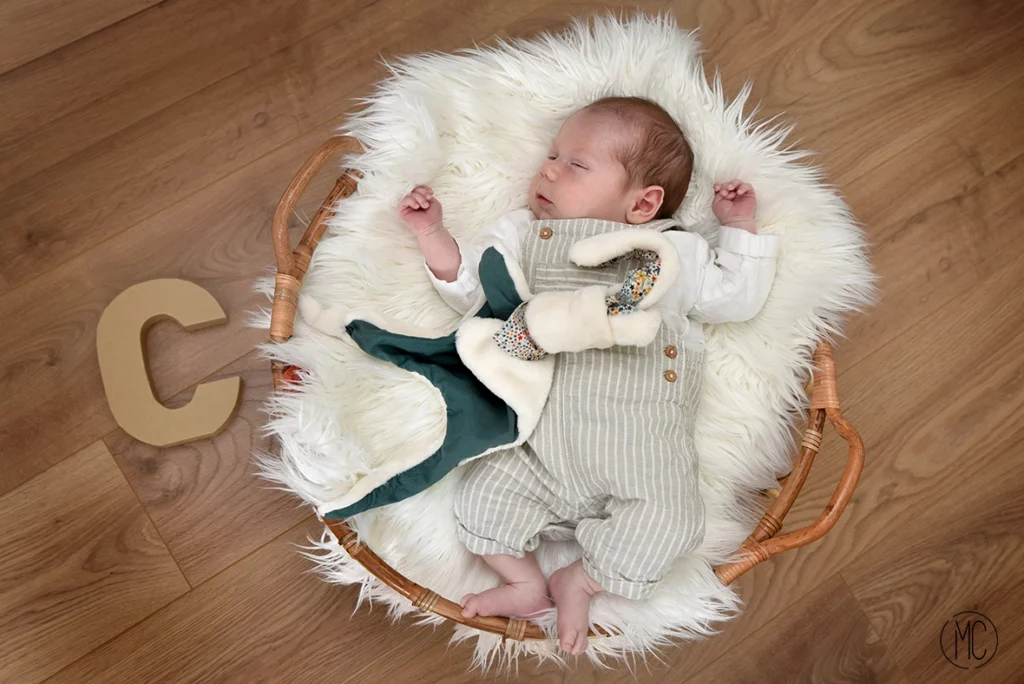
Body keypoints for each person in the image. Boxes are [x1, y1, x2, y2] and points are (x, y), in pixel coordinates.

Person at [398, 96, 780, 654]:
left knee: (673, 523)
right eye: (552, 155)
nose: (548, 170)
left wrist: (739, 228)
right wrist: (433, 236)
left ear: (644, 204)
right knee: (479, 499)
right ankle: (525, 581)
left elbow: (737, 299)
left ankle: (583, 576)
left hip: (642, 452)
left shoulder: (673, 253)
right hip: (540, 446)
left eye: (575, 165)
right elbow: (475, 294)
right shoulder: (524, 235)